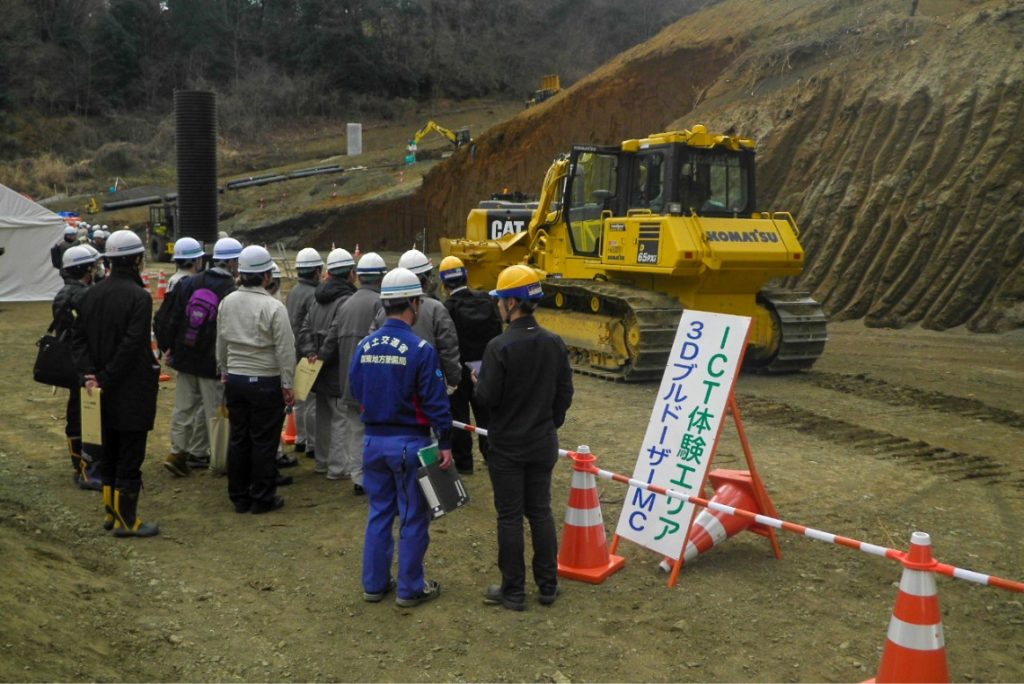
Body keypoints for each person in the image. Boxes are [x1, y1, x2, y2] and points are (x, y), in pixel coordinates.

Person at [348, 267, 453, 607]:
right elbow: (436, 403)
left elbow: (356, 389)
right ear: (413, 302)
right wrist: (446, 443)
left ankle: (375, 584)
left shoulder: (365, 346)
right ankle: (410, 587)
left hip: (373, 442)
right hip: (410, 443)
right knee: (412, 517)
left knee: (379, 513)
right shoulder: (421, 349)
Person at [475, 264, 574, 610]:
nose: (498, 307)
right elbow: (564, 394)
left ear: (512, 303)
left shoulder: (499, 347)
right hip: (541, 442)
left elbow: (487, 399)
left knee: (510, 516)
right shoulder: (553, 343)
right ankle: (548, 586)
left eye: (500, 301)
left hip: (507, 447)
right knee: (541, 512)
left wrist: (481, 385)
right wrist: (549, 424)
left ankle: (513, 591)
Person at [70, 229, 160, 537]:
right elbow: (133, 344)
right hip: (129, 388)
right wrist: (106, 377)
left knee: (108, 449)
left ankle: (110, 512)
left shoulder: (90, 294)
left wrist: (89, 376)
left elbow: (77, 340)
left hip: (98, 390)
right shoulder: (139, 297)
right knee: (130, 454)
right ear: (136, 259)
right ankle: (127, 519)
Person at [217, 245, 296, 514]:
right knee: (264, 440)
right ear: (266, 276)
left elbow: (221, 341)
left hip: (236, 378)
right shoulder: (273, 307)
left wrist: (224, 369)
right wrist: (288, 384)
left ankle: (239, 495)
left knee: (239, 437)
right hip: (265, 380)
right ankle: (262, 496)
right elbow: (285, 349)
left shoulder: (227, 302)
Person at [160, 236, 241, 476]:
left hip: (186, 357)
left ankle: (178, 453)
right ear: (234, 262)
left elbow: (173, 318)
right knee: (215, 413)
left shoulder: (190, 283)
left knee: (183, 409)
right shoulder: (231, 290)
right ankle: (218, 460)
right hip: (211, 362)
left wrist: (170, 348)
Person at [438, 256, 503, 474]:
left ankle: (464, 463)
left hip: (457, 367)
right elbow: (497, 331)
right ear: (466, 276)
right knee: (486, 414)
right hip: (483, 366)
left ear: (444, 283)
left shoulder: (446, 308)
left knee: (459, 417)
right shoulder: (486, 300)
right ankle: (491, 454)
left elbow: (445, 341)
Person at [298, 248, 357, 479]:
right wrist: (322, 355)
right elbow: (336, 333)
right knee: (340, 419)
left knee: (323, 416)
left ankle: (322, 463)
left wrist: (311, 353)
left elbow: (304, 328)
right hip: (335, 367)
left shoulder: (317, 298)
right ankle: (337, 468)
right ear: (350, 273)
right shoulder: (346, 299)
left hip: (316, 370)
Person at [333, 251, 387, 495]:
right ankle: (376, 476)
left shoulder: (346, 303)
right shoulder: (381, 303)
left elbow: (332, 340)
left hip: (349, 380)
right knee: (377, 431)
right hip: (374, 382)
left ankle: (358, 478)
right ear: (379, 278)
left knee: (355, 430)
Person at [52, 245, 103, 490]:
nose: (96, 270)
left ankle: (78, 466)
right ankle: (88, 469)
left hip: (71, 363)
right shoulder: (83, 295)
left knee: (75, 415)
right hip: (86, 365)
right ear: (84, 269)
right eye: (93, 266)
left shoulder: (63, 293)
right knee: (89, 417)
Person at [391, 249, 461, 389]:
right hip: (428, 385)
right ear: (425, 278)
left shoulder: (385, 309)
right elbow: (448, 349)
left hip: (394, 384)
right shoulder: (436, 308)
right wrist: (454, 379)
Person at [286, 247, 323, 460]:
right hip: (306, 352)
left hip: (293, 350)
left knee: (300, 400)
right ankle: (312, 444)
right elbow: (310, 326)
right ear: (317, 271)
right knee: (312, 402)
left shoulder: (293, 291)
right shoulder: (313, 295)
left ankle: (301, 439)